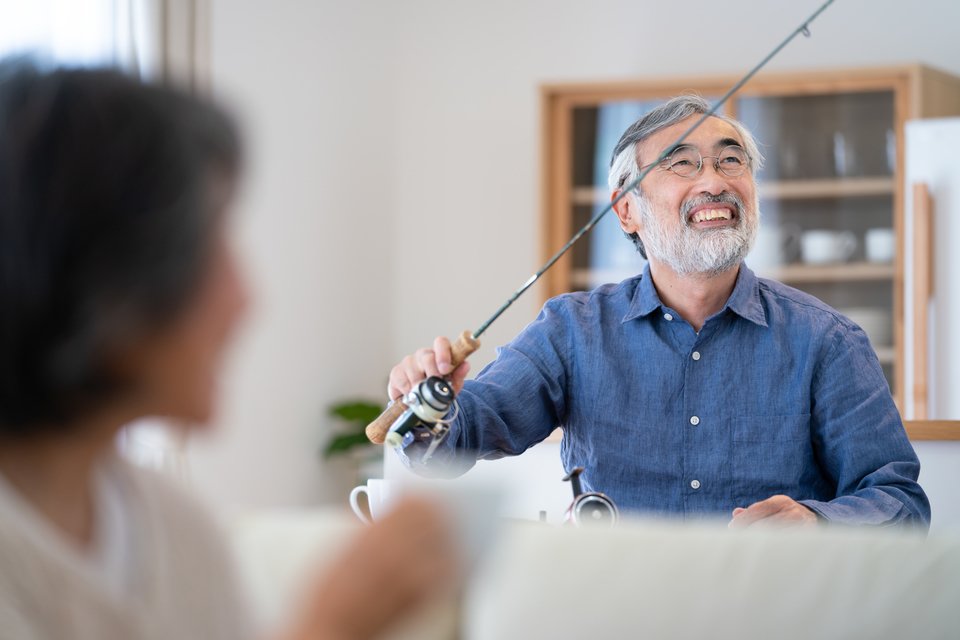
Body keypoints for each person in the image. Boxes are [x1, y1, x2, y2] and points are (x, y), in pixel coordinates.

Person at [0, 60, 458, 639]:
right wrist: (328, 628)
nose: (244, 298)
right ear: (98, 285)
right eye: (209, 249)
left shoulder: (176, 532)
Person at [388, 94, 930, 529]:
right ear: (627, 210)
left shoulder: (828, 340)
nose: (714, 181)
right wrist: (428, 407)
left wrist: (817, 522)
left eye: (731, 161)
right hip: (619, 607)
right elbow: (461, 439)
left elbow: (901, 503)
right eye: (682, 163)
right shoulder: (571, 330)